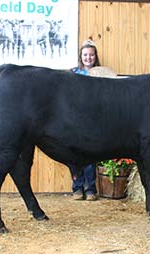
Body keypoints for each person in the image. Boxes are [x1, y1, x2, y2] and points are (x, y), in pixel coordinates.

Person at [69, 39, 100, 201]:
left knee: (90, 155)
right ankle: (77, 188)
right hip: (75, 119)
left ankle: (90, 189)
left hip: (93, 119)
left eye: (91, 55)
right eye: (85, 55)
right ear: (81, 57)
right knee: (74, 154)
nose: (88, 58)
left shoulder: (101, 74)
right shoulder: (73, 73)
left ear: (95, 56)